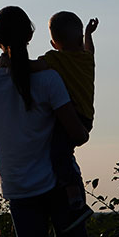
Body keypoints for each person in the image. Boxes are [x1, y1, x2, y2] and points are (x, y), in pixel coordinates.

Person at [0, 6, 91, 237]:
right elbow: (78, 135)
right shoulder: (49, 79)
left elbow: (1, 130)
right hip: (59, 186)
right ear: (30, 35)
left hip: (18, 188)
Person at [37, 12, 98, 217]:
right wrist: (89, 34)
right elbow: (91, 49)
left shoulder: (56, 59)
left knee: (58, 154)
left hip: (72, 118)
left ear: (54, 43)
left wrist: (9, 62)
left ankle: (74, 197)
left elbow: (34, 67)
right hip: (87, 118)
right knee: (63, 152)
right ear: (80, 38)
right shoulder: (86, 59)